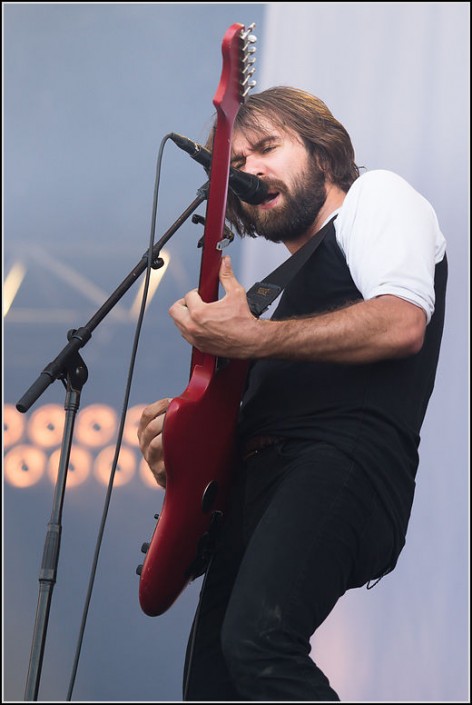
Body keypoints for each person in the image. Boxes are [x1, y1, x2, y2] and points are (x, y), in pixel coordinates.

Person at [137, 86, 447, 701]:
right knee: (214, 683)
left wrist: (253, 336)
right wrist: (179, 438)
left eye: (267, 148)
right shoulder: (269, 294)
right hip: (260, 485)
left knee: (260, 641)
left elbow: (401, 321)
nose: (249, 168)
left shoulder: (376, 198)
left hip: (343, 461)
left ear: (326, 156)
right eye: (236, 164)